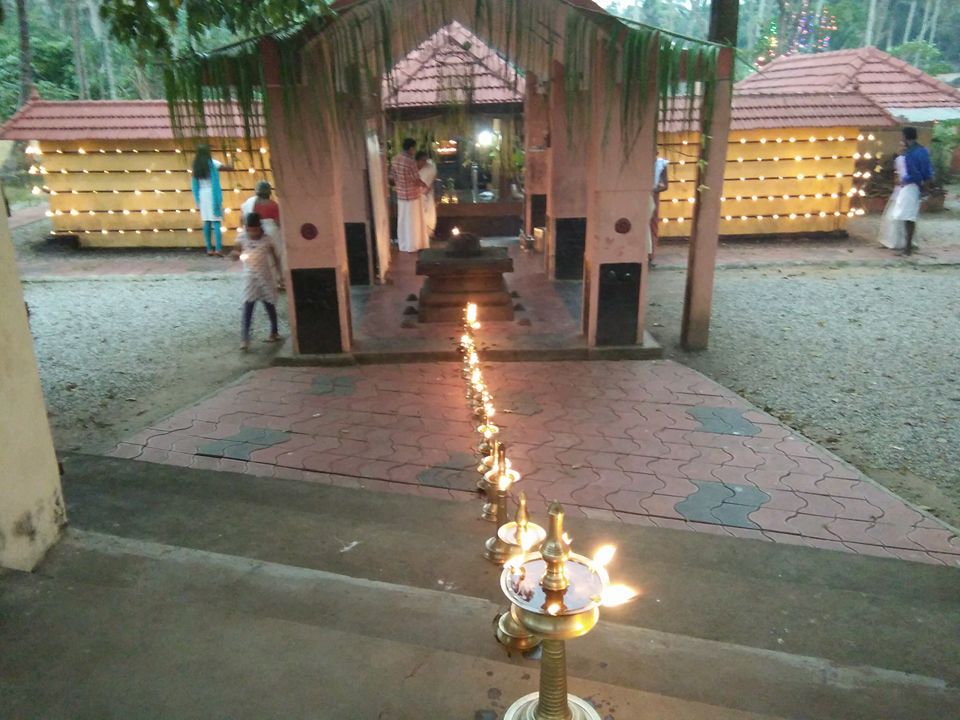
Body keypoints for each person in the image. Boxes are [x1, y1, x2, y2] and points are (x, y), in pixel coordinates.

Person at [233, 212, 281, 352]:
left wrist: (278, 273)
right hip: (249, 276)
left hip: (265, 275)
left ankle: (274, 331)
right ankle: (245, 337)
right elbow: (236, 251)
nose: (252, 233)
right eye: (249, 229)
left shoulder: (267, 239)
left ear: (260, 228)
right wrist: (235, 255)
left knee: (269, 303)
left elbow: (275, 256)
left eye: (255, 229)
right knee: (248, 305)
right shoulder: (241, 238)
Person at [891, 126, 933, 256]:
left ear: (905, 137)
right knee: (909, 215)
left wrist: (905, 180)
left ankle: (907, 248)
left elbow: (913, 173)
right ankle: (907, 246)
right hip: (920, 184)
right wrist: (926, 183)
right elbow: (928, 169)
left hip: (911, 185)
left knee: (907, 216)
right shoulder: (923, 150)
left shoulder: (909, 153)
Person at [241, 180, 284, 290]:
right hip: (272, 231)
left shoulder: (250, 203)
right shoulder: (274, 205)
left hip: (255, 231)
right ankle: (277, 280)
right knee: (275, 256)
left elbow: (243, 218)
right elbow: (278, 222)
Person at [191, 144, 231, 257]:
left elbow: (195, 183)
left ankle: (209, 249)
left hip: (202, 195)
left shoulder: (196, 165)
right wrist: (232, 159)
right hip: (213, 194)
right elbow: (227, 168)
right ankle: (218, 249)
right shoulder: (212, 163)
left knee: (207, 222)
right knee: (216, 222)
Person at [389, 138, 427, 253]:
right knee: (413, 221)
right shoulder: (410, 162)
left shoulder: (395, 159)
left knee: (403, 221)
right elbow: (416, 179)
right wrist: (424, 184)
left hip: (401, 195)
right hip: (413, 195)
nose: (415, 151)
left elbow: (392, 177)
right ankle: (413, 244)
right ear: (411, 148)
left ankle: (404, 244)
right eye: (414, 148)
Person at [878, 141, 907, 251]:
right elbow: (897, 173)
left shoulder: (911, 159)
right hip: (898, 189)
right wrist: (896, 179)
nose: (902, 148)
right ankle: (890, 240)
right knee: (891, 216)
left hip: (907, 188)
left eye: (904, 146)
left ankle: (903, 241)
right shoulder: (898, 160)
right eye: (900, 146)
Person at [647, 155, 669, 263]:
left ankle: (651, 254)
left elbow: (665, 185)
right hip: (643, 194)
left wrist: (653, 190)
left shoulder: (661, 164)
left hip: (653, 193)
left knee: (652, 224)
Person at [416, 150, 438, 242]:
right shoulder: (411, 168)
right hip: (414, 197)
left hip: (426, 196)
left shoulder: (430, 168)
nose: (424, 163)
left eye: (425, 161)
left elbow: (430, 182)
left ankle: (428, 234)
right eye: (422, 160)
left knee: (429, 215)